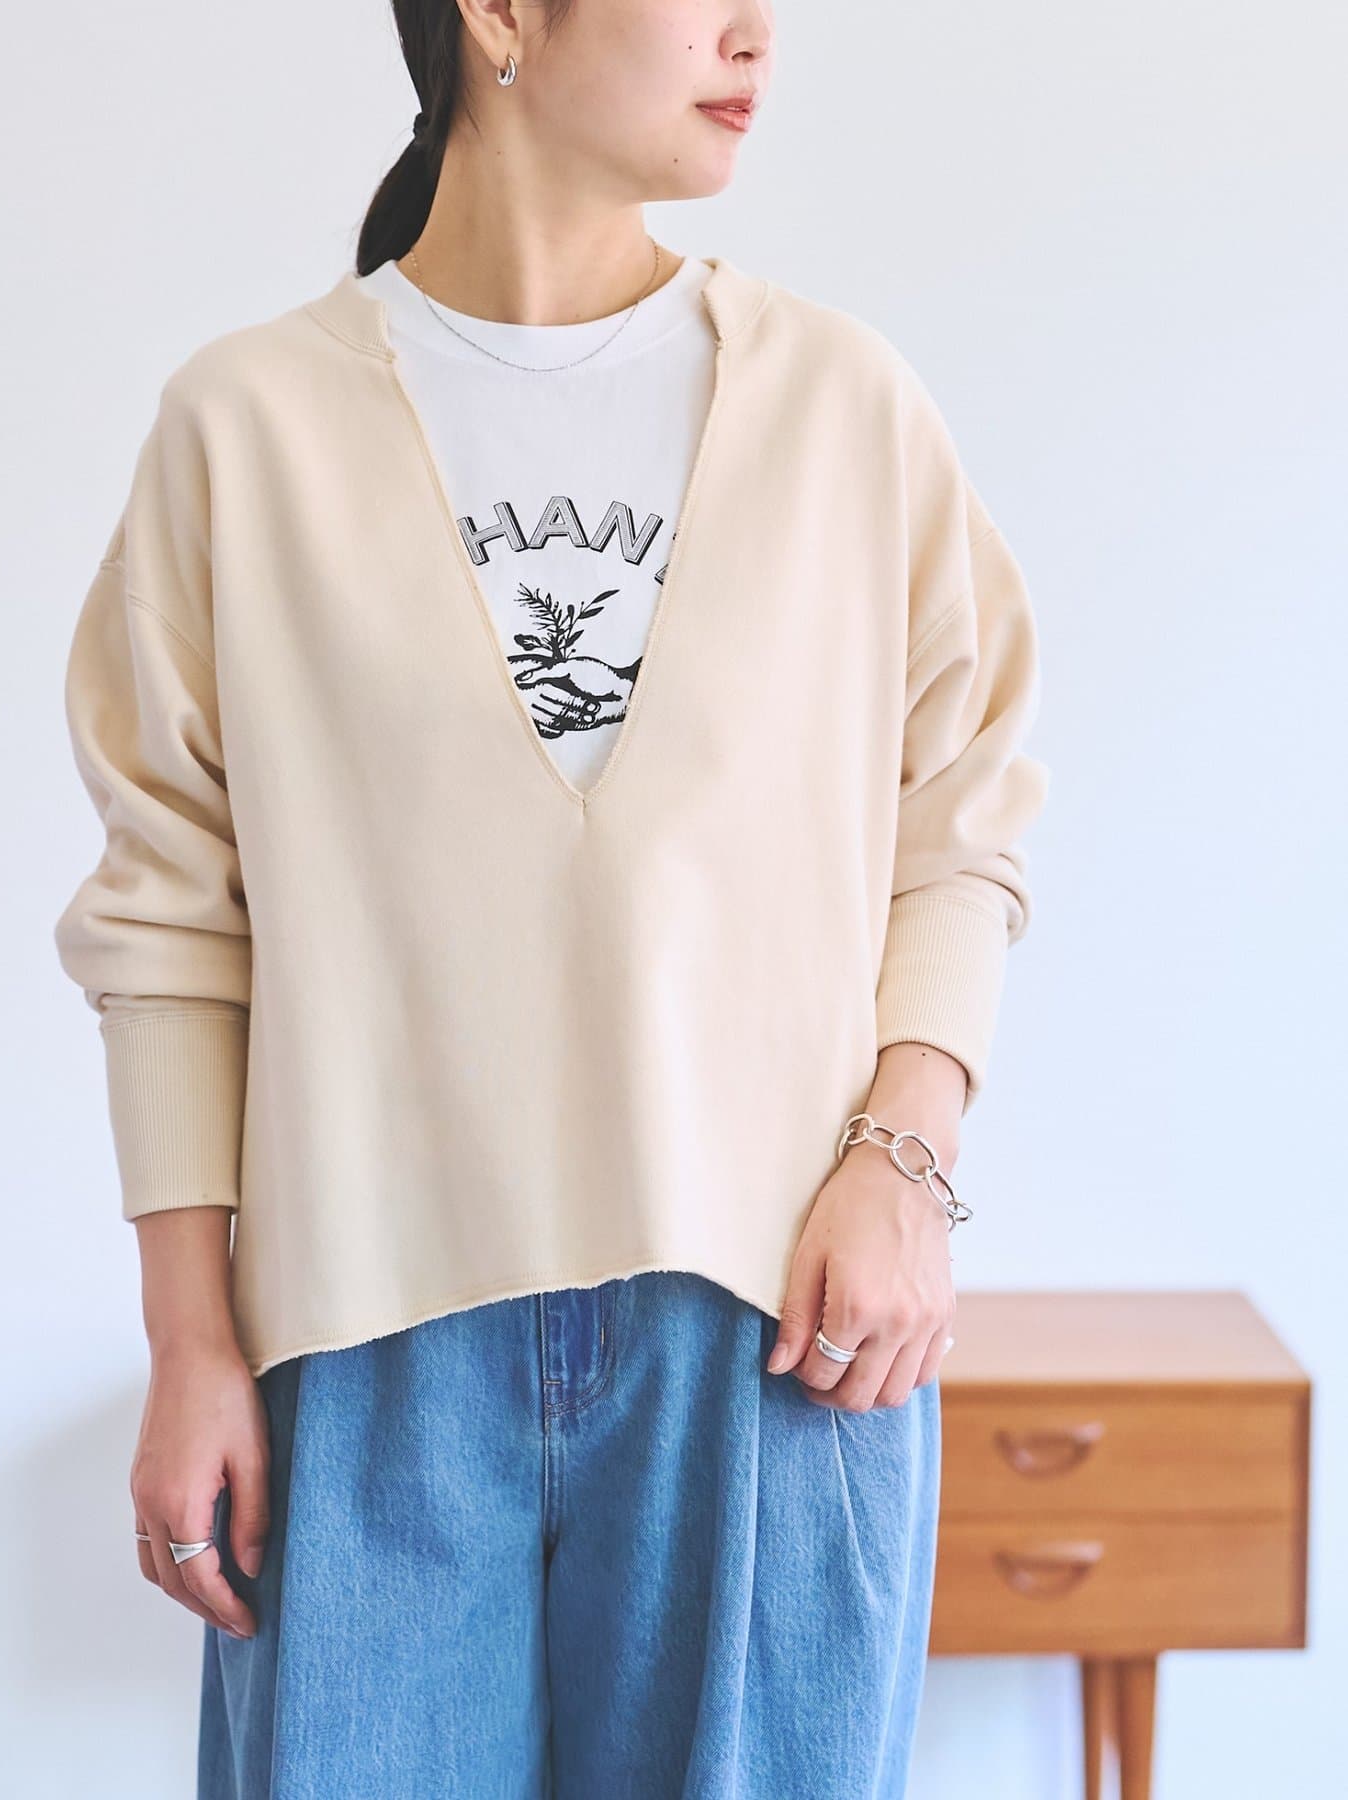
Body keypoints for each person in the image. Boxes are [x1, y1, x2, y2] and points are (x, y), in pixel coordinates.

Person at [52, 2, 1050, 1794]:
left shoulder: (844, 410)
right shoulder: (244, 431)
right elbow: (170, 923)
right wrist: (189, 1338)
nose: (756, 31)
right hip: (364, 1346)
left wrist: (907, 1160)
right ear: (501, 13)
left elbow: (962, 822)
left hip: (767, 1341)